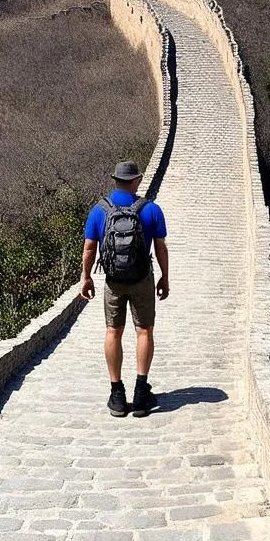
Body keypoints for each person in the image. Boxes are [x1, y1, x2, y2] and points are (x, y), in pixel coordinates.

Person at [80, 160, 169, 417]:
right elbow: (161, 247)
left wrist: (86, 278)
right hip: (142, 279)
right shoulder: (150, 209)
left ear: (115, 180)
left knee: (113, 332)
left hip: (113, 282)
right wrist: (164, 277)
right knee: (144, 332)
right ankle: (141, 394)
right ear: (137, 181)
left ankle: (117, 394)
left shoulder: (100, 211)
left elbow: (89, 248)